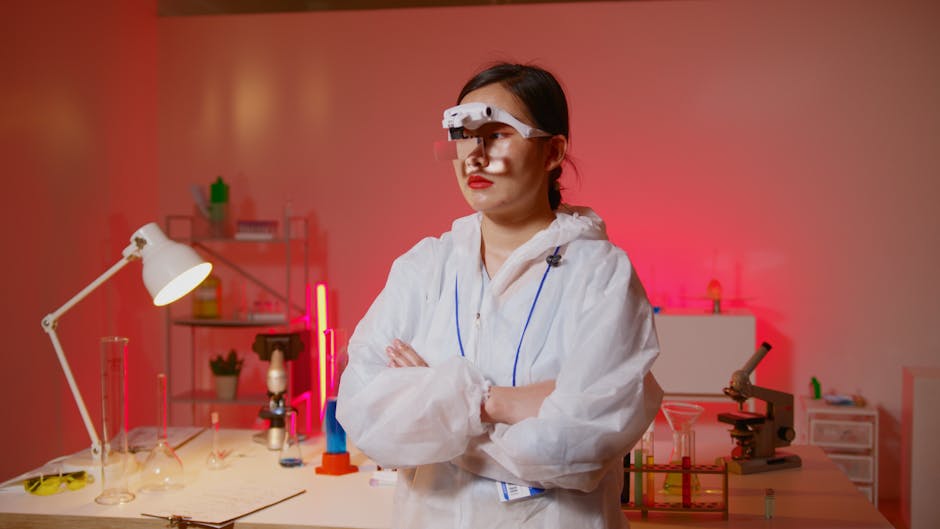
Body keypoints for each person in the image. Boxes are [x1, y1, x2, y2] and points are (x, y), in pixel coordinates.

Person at [337, 62, 663, 529]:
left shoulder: (601, 274)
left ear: (553, 151)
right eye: (464, 135)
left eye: (496, 133)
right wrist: (502, 402)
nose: (474, 154)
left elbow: (580, 450)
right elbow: (369, 424)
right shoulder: (424, 268)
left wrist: (437, 402)